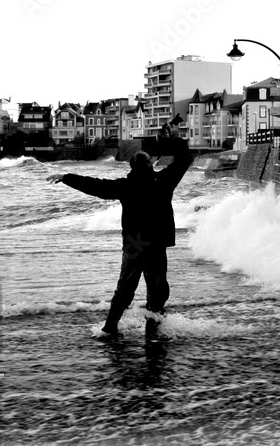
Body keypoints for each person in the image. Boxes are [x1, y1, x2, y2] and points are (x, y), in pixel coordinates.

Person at [46, 135, 193, 337]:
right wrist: (175, 138)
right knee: (157, 289)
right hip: (156, 243)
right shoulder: (163, 181)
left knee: (125, 288)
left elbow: (95, 186)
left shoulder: (125, 185)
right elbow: (184, 161)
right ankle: (153, 328)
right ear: (150, 164)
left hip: (135, 243)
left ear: (132, 167)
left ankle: (110, 327)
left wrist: (66, 178)